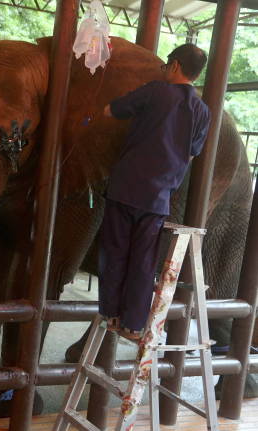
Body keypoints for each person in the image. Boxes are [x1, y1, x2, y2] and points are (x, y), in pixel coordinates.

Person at [99, 43, 211, 339]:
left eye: (166, 66)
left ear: (174, 66)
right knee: (144, 261)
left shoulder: (154, 90)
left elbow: (112, 110)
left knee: (115, 252)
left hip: (125, 188)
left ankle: (111, 315)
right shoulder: (202, 112)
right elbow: (189, 154)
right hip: (159, 197)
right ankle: (134, 324)